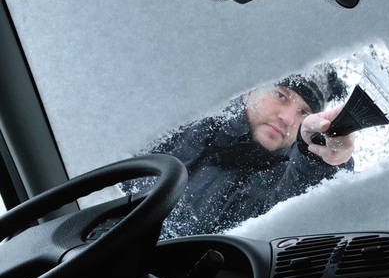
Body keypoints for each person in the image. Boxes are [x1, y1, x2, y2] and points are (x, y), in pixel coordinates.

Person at [123, 63, 356, 239]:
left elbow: (278, 223)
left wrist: (322, 161)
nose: (287, 118)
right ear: (249, 89)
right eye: (281, 95)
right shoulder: (191, 111)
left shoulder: (284, 179)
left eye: (304, 113)